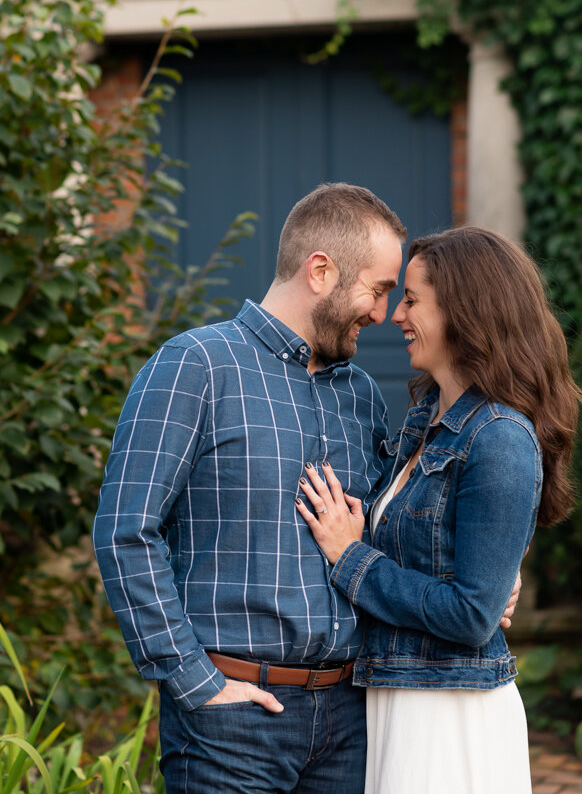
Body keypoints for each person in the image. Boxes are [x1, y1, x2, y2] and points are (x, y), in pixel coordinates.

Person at [93, 182, 407, 793]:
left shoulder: (361, 395)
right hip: (230, 724)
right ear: (321, 270)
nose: (383, 313)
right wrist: (193, 680)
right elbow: (126, 530)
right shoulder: (196, 365)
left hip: (348, 720)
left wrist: (487, 576)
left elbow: (392, 530)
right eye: (378, 289)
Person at [296, 226, 582, 794]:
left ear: (463, 310)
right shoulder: (423, 422)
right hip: (397, 698)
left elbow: (472, 616)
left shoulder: (498, 435)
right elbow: (445, 565)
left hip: (447, 711)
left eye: (411, 299)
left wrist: (350, 558)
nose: (395, 315)